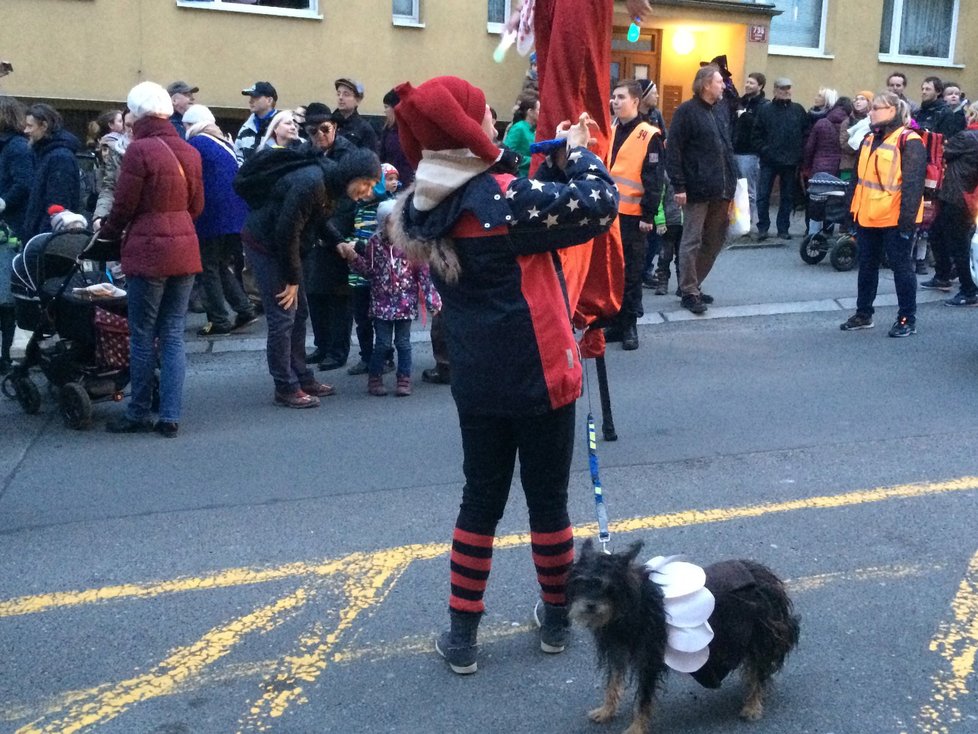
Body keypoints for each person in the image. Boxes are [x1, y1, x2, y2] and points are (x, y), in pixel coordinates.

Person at [391, 74, 619, 674]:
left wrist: (546, 152)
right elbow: (599, 205)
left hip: (477, 377)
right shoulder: (506, 199)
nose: (492, 121)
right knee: (547, 502)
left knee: (480, 501)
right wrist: (583, 155)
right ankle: (554, 619)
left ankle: (463, 635)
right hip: (542, 372)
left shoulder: (425, 202)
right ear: (466, 127)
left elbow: (504, 176)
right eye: (484, 114)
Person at [234, 131, 380, 408]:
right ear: (353, 176)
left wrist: (338, 242)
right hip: (266, 245)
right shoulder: (312, 183)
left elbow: (317, 218)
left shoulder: (330, 182)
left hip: (283, 246)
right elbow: (286, 231)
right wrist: (292, 279)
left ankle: (301, 376)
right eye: (367, 183)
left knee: (298, 314)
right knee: (282, 317)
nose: (368, 191)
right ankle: (285, 386)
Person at [98, 82, 205, 437]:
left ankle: (139, 411)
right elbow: (197, 206)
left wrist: (108, 233)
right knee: (173, 333)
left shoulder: (139, 151)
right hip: (185, 248)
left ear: (137, 113)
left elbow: (124, 205)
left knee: (143, 334)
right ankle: (171, 415)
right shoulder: (188, 150)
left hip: (147, 251)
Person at [841, 91, 926, 338]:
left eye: (876, 108)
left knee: (901, 269)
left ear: (892, 111)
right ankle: (863, 314)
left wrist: (907, 221)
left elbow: (913, 185)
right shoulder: (868, 138)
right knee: (867, 267)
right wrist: (850, 211)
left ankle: (906, 318)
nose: (871, 112)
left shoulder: (910, 141)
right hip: (868, 215)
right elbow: (857, 180)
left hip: (895, 218)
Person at [339, 198, 440, 397]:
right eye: (390, 222)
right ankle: (375, 377)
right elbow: (369, 271)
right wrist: (354, 259)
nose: (395, 226)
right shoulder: (374, 244)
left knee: (403, 343)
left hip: (405, 304)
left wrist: (432, 300)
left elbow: (423, 275)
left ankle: (404, 379)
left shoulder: (411, 245)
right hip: (382, 304)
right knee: (383, 344)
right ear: (382, 223)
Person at [666, 64, 738, 314]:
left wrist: (734, 181)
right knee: (692, 240)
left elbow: (726, 148)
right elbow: (673, 149)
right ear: (706, 84)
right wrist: (679, 185)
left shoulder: (719, 111)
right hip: (696, 188)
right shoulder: (686, 111)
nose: (723, 86)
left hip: (722, 188)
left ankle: (694, 284)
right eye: (719, 82)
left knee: (715, 240)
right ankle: (688, 291)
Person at [182, 104, 258, 337]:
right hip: (234, 216)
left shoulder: (197, 144)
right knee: (221, 265)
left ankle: (218, 319)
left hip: (211, 216)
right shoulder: (224, 142)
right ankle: (244, 309)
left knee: (208, 268)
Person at [606, 79, 663, 350]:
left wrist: (648, 216)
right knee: (612, 270)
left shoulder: (649, 134)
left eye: (620, 97)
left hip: (633, 216)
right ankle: (615, 322)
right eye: (613, 97)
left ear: (635, 101)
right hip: (609, 214)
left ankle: (629, 325)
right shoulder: (610, 130)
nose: (614, 101)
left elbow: (654, 179)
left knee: (632, 271)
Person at [345, 163, 399, 377]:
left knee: (382, 321)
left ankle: (386, 357)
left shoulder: (387, 208)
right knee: (362, 320)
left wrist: (358, 246)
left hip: (380, 277)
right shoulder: (359, 211)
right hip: (358, 275)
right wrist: (349, 243)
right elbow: (355, 235)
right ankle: (367, 357)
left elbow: (388, 241)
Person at [921, 102, 978, 299]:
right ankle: (943, 274)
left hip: (956, 195)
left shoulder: (968, 136)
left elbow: (941, 151)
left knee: (958, 244)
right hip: (963, 195)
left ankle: (969, 290)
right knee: (937, 233)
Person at [751, 77, 809, 242]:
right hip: (769, 161)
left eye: (789, 88)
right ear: (775, 90)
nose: (786, 91)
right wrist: (765, 151)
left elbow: (806, 134)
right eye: (783, 89)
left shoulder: (798, 110)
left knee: (787, 196)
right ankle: (763, 228)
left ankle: (783, 229)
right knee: (763, 195)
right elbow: (756, 136)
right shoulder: (765, 110)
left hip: (790, 162)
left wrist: (799, 154)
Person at [0, 95, 32, 373]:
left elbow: (23, 183)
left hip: (9, 229)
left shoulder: (16, 147)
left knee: (5, 298)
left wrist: (3, 202)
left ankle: (5, 355)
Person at [21, 103, 81, 240]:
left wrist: (43, 241)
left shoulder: (59, 157)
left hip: (47, 241)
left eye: (30, 126)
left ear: (44, 126)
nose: (25, 131)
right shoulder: (47, 154)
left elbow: (58, 205)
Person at [732, 72, 768, 232]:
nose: (747, 85)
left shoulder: (763, 106)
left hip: (750, 153)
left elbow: (760, 126)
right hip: (735, 150)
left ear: (760, 86)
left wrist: (745, 116)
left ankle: (747, 224)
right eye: (747, 82)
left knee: (749, 191)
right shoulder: (742, 101)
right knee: (736, 189)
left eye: (752, 83)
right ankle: (736, 222)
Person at [803, 97, 852, 178]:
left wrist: (806, 166)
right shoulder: (849, 126)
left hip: (818, 166)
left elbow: (809, 147)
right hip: (838, 168)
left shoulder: (821, 123)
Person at [235, 81, 278, 164]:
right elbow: (238, 154)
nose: (250, 101)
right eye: (250, 97)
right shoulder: (246, 127)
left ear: (269, 100)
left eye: (256, 97)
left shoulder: (282, 125)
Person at [379, 88, 414, 186]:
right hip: (390, 182)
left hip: (405, 182)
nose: (385, 111)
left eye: (386, 107)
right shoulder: (388, 130)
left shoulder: (410, 131)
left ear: (396, 109)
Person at [333, 77, 378, 152]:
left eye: (346, 94)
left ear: (358, 100)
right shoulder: (330, 123)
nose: (340, 97)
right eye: (338, 94)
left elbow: (371, 159)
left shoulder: (364, 129)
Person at [502, 92, 539, 177]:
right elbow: (508, 153)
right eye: (539, 110)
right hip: (519, 175)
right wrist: (534, 160)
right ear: (530, 112)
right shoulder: (518, 128)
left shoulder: (533, 129)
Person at [839, 91, 873, 179]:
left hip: (868, 166)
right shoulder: (847, 122)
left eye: (862, 99)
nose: (858, 102)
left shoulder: (874, 121)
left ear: (870, 102)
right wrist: (858, 144)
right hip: (849, 166)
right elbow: (844, 144)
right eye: (856, 99)